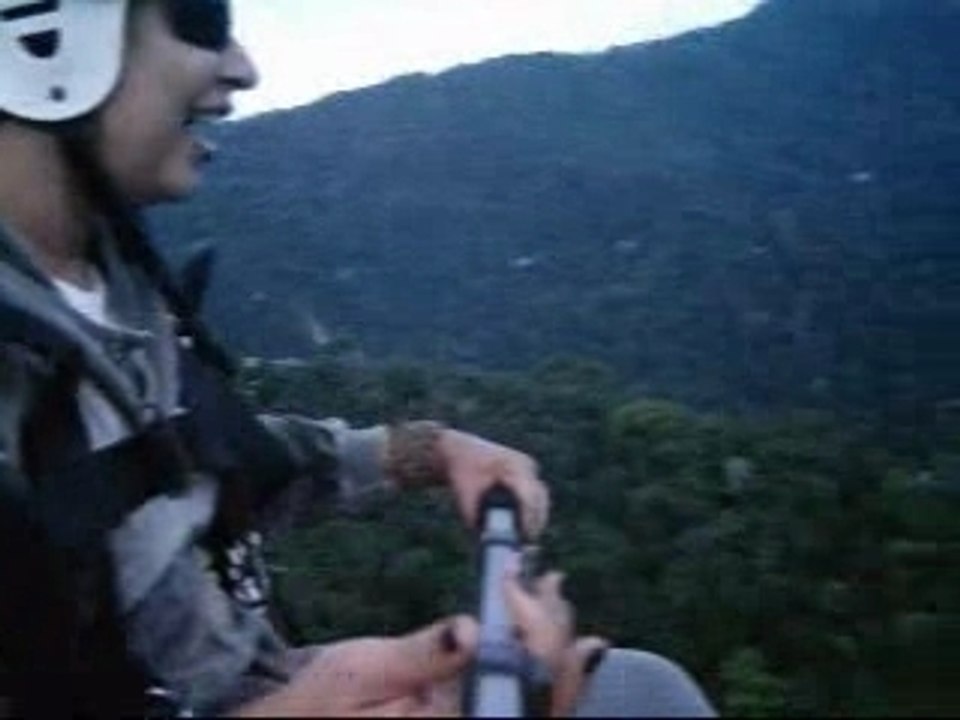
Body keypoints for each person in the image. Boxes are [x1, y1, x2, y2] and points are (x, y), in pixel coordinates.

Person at [0, 0, 716, 716]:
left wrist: (429, 453)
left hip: (250, 680)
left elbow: (200, 458)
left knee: (642, 690)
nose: (243, 70)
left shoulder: (112, 284)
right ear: (40, 38)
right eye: (200, 18)